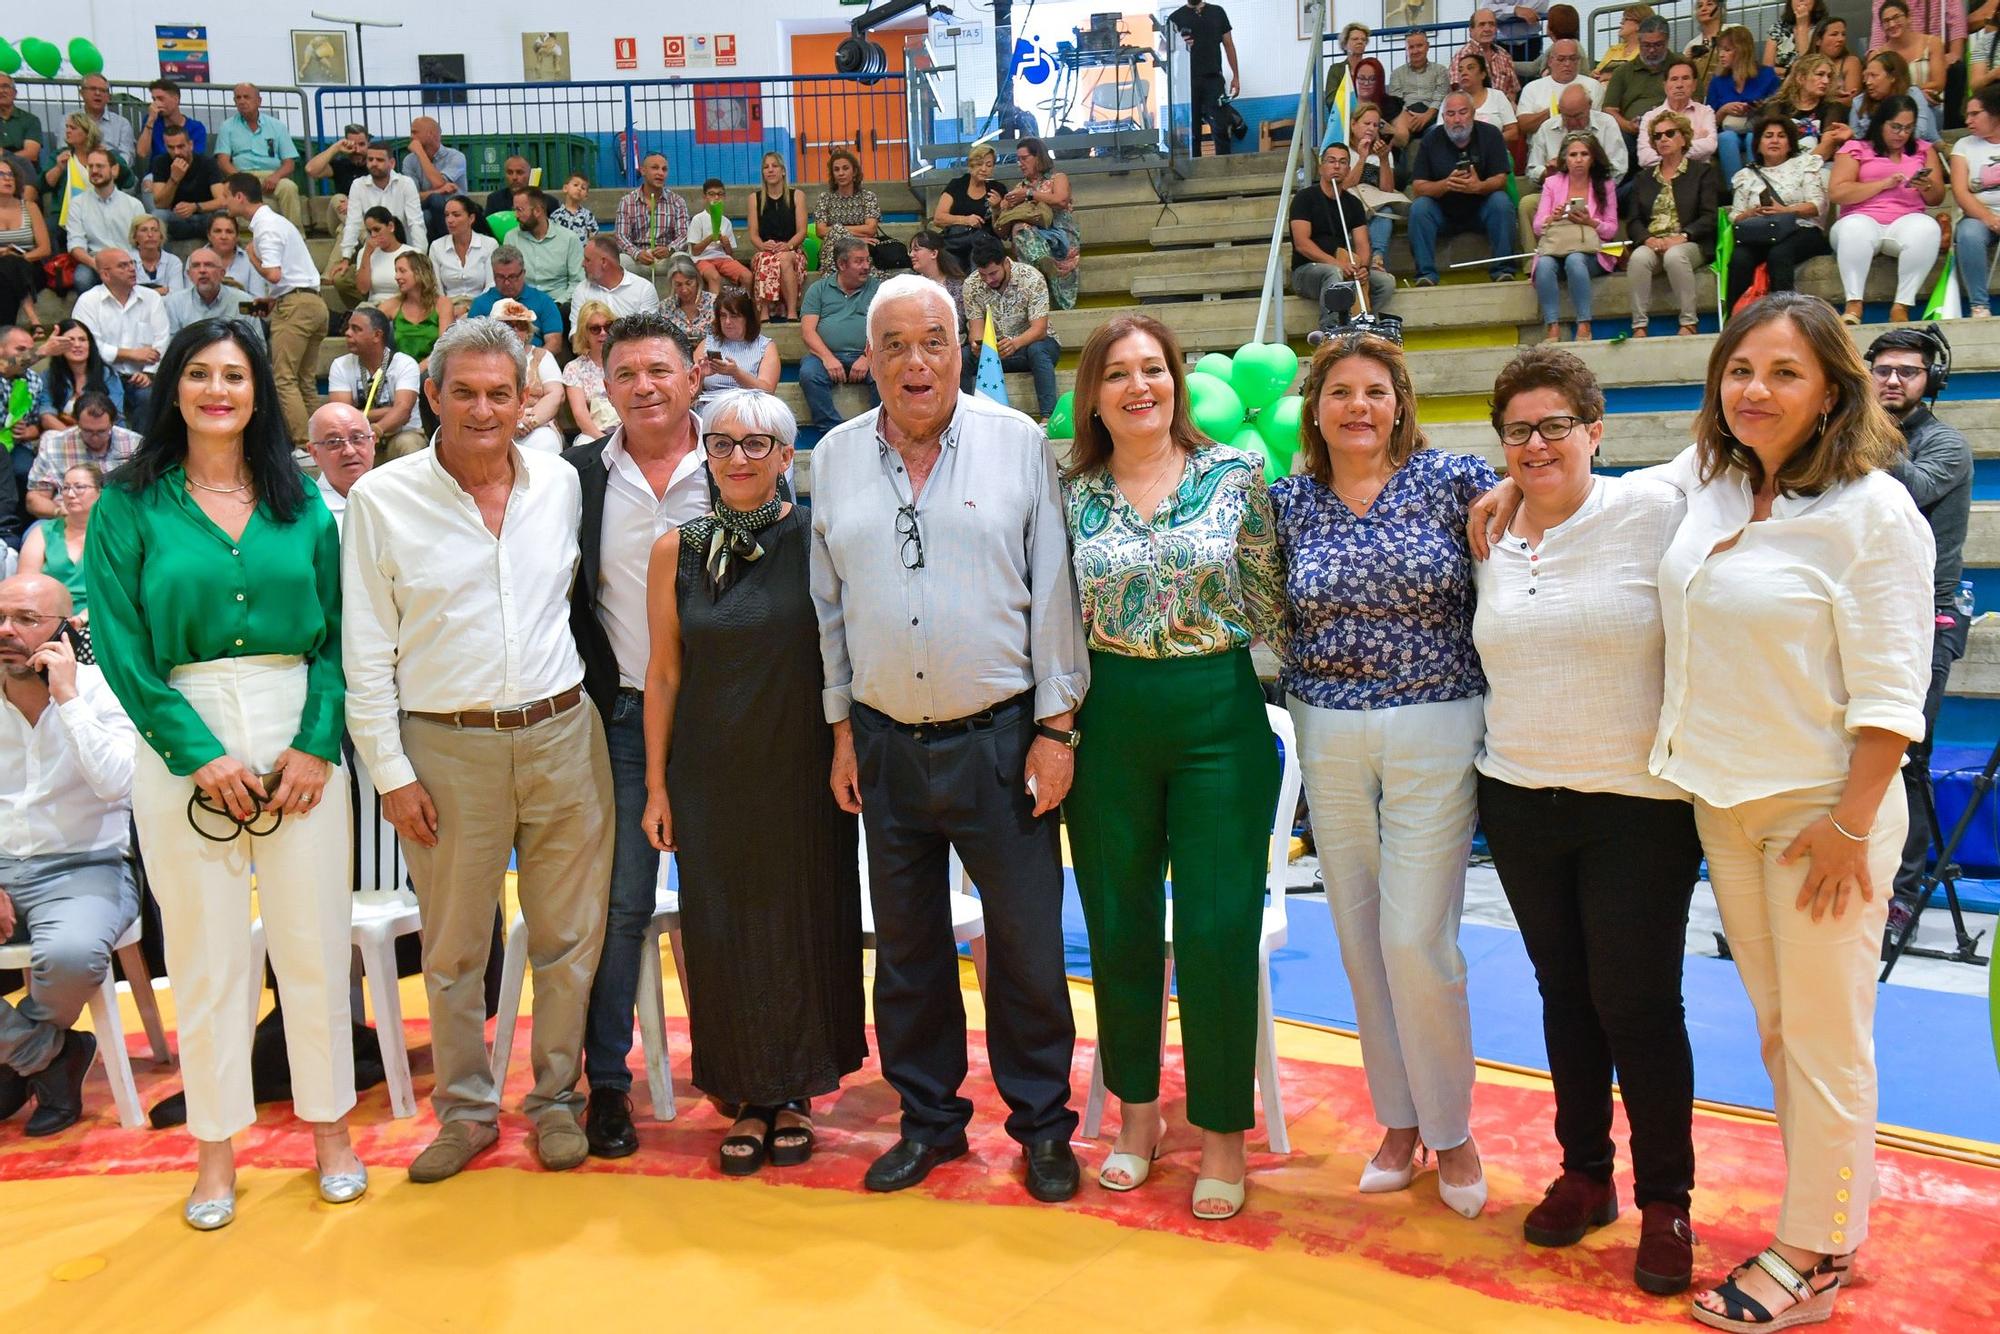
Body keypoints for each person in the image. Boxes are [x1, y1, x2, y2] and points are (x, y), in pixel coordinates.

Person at [1660, 293, 1930, 1333]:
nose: (1753, 390)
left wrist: (1851, 824)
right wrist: (1513, 492)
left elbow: (1890, 691)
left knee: (1822, 1038)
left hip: (1824, 813)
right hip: (1725, 805)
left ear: (1829, 390)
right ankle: (1833, 1217)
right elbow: (1615, 490)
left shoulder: (1869, 510)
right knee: (1783, 1033)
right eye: (1738, 369)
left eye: (1781, 373)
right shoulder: (1717, 483)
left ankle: (1808, 1254)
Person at [809, 272, 1086, 1203]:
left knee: (1027, 953)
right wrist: (842, 726)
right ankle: (929, 1123)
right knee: (909, 954)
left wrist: (1057, 728)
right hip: (885, 744)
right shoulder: (836, 458)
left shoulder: (1018, 447)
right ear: (871, 359)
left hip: (1004, 740)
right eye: (894, 345)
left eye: (933, 341)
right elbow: (828, 609)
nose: (915, 362)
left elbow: (1054, 595)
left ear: (962, 347)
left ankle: (1044, 1127)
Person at [86, 317, 362, 1229]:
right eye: (199, 373)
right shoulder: (130, 504)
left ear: (256, 394)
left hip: (297, 727)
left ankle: (331, 1133)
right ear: (173, 387)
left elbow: (338, 636)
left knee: (314, 946)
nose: (217, 390)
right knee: (204, 958)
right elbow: (122, 650)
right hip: (183, 729)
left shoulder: (302, 503)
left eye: (234, 376)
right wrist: (197, 755)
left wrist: (319, 743)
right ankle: (214, 1152)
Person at [342, 317, 614, 1184]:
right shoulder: (382, 501)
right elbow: (364, 651)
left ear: (527, 398)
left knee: (570, 938)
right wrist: (390, 773)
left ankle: (557, 1103)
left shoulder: (560, 486)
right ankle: (464, 1113)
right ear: (432, 397)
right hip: (445, 746)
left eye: (503, 392)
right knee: (457, 948)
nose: (485, 409)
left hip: (565, 733)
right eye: (465, 391)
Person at [1468, 347, 1703, 1294]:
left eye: (1556, 425)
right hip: (1520, 798)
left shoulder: (1654, 508)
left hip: (1638, 808)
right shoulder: (1483, 532)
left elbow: (1727, 445)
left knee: (1639, 1005)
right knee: (1564, 996)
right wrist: (1496, 494)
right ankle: (1586, 1174)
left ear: (1595, 431)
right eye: (1518, 430)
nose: (1537, 444)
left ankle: (1668, 1203)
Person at [1060, 315, 1281, 1222]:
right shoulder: (1067, 491)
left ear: (1179, 381)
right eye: (1118, 373)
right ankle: (1138, 1116)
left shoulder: (1236, 474)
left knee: (1217, 930)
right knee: (1116, 925)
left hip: (1217, 717)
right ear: (1095, 395)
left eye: (1155, 368)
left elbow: (1266, 599)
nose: (1139, 385)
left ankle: (1224, 1133)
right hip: (1106, 721)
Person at [1270, 332, 1494, 1220]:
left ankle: (1453, 1130)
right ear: (1314, 410)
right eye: (1339, 393)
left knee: (1417, 942)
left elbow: (1539, 516)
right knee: (1362, 943)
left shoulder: (1457, 481)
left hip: (1437, 721)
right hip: (1327, 727)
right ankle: (1397, 1123)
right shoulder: (1285, 503)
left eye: (1374, 391)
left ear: (1400, 404)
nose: (1357, 407)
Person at [638, 384, 865, 1172]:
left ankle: (795, 1090)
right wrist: (658, 787)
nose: (739, 458)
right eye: (724, 444)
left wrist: (844, 745)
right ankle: (743, 1093)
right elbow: (663, 676)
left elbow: (842, 655)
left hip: (801, 767)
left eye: (757, 444)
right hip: (710, 775)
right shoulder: (675, 549)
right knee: (723, 932)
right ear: (706, 454)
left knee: (804, 921)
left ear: (784, 457)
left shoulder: (817, 537)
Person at [557, 311, 710, 1157]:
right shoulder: (577, 479)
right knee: (620, 906)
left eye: (660, 370)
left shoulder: (737, 466)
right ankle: (608, 1083)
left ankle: (756, 1075)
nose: (645, 387)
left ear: (694, 377)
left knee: (732, 901)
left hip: (723, 722)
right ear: (602, 389)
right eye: (627, 375)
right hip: (617, 719)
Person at [0, 571, 137, 1137]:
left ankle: (15, 1063)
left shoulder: (104, 689)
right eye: (1, 618)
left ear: (65, 630)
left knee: (74, 954)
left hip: (87, 865)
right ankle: (50, 1058)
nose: (7, 630)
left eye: (27, 620)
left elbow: (120, 784)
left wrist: (68, 698)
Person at [1862, 327, 1971, 940]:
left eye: (1908, 371)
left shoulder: (1946, 445)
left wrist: (1861, 425)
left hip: (1930, 616)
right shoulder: (1850, 436)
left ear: (1933, 379)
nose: (1893, 381)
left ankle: (1901, 896)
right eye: (1882, 371)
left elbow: (1911, 489)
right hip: (1864, 610)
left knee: (1905, 758)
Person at [229, 173, 329, 448]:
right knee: (304, 380)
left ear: (239, 197)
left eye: (228, 196)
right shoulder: (280, 222)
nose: (225, 202)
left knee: (284, 378)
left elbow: (273, 274)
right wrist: (272, 300)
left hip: (295, 306)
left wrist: (251, 256)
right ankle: (322, 441)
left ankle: (303, 444)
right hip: (313, 302)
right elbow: (290, 277)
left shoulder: (264, 227)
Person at [1829, 95, 1945, 324]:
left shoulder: (1923, 149)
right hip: (1860, 218)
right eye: (1896, 127)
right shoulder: (1856, 147)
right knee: (1855, 228)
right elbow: (1837, 193)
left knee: (1928, 228)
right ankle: (1853, 305)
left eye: (1908, 128)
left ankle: (1901, 306)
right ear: (1881, 123)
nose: (1902, 134)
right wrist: (1882, 184)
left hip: (1906, 220)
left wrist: (1927, 186)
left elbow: (1937, 198)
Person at [1625, 112, 1722, 337]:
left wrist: (1683, 236)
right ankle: (1639, 326)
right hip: (1654, 241)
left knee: (1675, 256)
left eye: (1670, 133)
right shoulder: (1643, 178)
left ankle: (1688, 323)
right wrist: (1647, 239)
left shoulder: (1702, 172)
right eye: (1658, 136)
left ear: (1683, 138)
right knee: (1638, 258)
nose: (1663, 139)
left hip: (1690, 241)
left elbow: (1710, 217)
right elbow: (1633, 220)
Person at [1407, 92, 1518, 287]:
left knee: (1501, 201)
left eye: (1462, 112)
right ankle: (1425, 274)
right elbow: (1418, 187)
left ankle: (1503, 270)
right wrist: (1445, 184)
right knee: (1419, 208)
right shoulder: (1430, 140)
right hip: (1442, 212)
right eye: (1450, 114)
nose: (1457, 119)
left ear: (1473, 113)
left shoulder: (1491, 134)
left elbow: (1501, 179)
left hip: (1482, 209)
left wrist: (1479, 187)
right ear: (1443, 118)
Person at [1724, 116, 1832, 310]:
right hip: (1761, 233)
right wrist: (1751, 213)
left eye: (1781, 136)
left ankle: (1784, 315)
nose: (1774, 140)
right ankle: (1736, 320)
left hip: (1802, 230)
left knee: (1779, 254)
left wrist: (1785, 211)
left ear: (1790, 144)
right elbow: (1734, 216)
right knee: (1741, 258)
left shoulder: (1806, 164)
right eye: (1768, 136)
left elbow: (1817, 205)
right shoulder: (1745, 175)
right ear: (1758, 145)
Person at [1289, 143, 1396, 332]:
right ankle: (1330, 329)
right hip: (1307, 271)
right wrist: (1336, 264)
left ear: (1348, 169)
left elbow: (1362, 243)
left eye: (1343, 162)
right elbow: (1302, 244)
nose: (1336, 166)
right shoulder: (1304, 198)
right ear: (1322, 167)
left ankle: (1359, 321)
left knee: (1386, 282)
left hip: (1344, 265)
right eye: (1331, 161)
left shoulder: (1353, 203)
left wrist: (1362, 267)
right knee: (1334, 274)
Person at [961, 233, 1062, 419]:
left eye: (993, 273)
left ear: (1006, 263)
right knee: (963, 356)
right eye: (983, 275)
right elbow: (976, 327)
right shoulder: (971, 285)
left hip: (1029, 345)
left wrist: (1015, 343)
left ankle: (1049, 416)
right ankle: (964, 417)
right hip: (995, 350)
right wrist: (977, 345)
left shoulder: (1032, 278)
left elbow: (1039, 329)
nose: (988, 280)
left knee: (1038, 350)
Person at [1531, 134, 1619, 343]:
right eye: (1573, 155)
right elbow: (1537, 226)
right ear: (1565, 159)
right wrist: (1553, 217)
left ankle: (1584, 324)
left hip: (1591, 250)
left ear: (1593, 158)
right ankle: (1552, 327)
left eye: (1584, 154)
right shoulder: (1552, 183)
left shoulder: (1605, 184)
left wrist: (1591, 222)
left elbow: (1612, 229)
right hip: (1557, 246)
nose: (1578, 159)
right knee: (1543, 264)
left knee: (1575, 260)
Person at [71, 249, 168, 428]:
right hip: (101, 374)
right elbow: (87, 345)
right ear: (105, 275)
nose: (132, 269)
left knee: (149, 397)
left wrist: (149, 372)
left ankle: (142, 451)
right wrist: (131, 354)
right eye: (123, 266)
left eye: (132, 263)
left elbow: (162, 339)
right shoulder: (88, 301)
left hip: (141, 375)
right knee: (100, 400)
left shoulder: (151, 298)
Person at [798, 237, 880, 433]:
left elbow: (886, 329)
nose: (866, 266)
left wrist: (867, 357)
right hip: (824, 354)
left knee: (885, 372)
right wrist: (828, 358)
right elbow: (808, 332)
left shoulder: (877, 288)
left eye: (867, 260)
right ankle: (832, 431)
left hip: (868, 353)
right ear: (842, 264)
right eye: (859, 261)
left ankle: (879, 428)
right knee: (809, 374)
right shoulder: (818, 289)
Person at [328, 306, 426, 460]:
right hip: (356, 440)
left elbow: (403, 411)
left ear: (377, 335)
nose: (347, 333)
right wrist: (388, 411)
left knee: (409, 444)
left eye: (356, 329)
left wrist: (376, 430)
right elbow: (343, 417)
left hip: (401, 434)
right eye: (348, 328)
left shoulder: (405, 364)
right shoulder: (340, 365)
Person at [25, 392, 136, 519]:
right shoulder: (54, 445)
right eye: (88, 431)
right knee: (33, 535)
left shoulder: (134, 444)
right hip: (67, 517)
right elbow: (34, 499)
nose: (95, 437)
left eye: (101, 431)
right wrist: (58, 511)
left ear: (112, 423)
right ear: (76, 422)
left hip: (120, 517)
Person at [999, 139, 1081, 311]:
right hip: (1032, 236)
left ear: (1038, 157)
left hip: (1059, 234)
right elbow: (1006, 225)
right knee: (1020, 228)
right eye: (1018, 159)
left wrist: (1029, 194)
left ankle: (1043, 269)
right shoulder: (1019, 187)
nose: (1020, 164)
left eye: (1024, 158)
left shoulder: (1058, 178)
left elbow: (1060, 200)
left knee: (1024, 234)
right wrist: (1000, 207)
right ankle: (1042, 262)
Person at [213, 85, 303, 231]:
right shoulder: (227, 127)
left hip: (271, 176)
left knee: (289, 187)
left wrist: (276, 176)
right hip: (241, 175)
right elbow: (223, 161)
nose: (242, 101)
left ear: (259, 101)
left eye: (246, 97)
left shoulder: (277, 126)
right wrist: (241, 179)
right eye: (238, 98)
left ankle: (297, 235)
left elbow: (289, 163)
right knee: (229, 191)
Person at [19, 464, 104, 610]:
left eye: (80, 487)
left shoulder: (112, 534)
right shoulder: (42, 533)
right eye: (65, 488)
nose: (70, 494)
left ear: (99, 492)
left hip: (98, 615)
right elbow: (25, 587)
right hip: (49, 615)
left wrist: (84, 616)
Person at [66, 148, 146, 296]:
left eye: (100, 166)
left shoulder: (134, 204)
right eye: (90, 166)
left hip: (129, 260)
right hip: (94, 261)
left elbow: (143, 244)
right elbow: (75, 245)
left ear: (114, 170)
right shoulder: (77, 204)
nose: (94, 170)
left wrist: (125, 265)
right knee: (81, 278)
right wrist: (97, 265)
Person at [1708, 26, 1783, 178]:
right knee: (1726, 138)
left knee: (1752, 138)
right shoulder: (1717, 82)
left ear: (1742, 50)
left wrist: (1761, 109)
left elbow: (1779, 111)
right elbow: (1709, 123)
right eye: (1720, 50)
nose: (1721, 55)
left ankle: (1759, 186)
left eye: (1727, 50)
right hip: (1727, 130)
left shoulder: (1767, 75)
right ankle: (1737, 190)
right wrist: (1724, 110)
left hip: (1757, 128)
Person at [1525, 83, 1630, 191]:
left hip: (1598, 190)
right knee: (1528, 204)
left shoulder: (1607, 123)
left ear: (1590, 105)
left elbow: (1619, 166)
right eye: (1566, 116)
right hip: (1555, 191)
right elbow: (1532, 169)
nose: (1573, 122)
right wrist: (1546, 173)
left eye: (1578, 116)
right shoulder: (1547, 127)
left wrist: (1588, 176)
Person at [1168, 1, 1241, 156]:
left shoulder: (1217, 12)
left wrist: (1236, 76)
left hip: (1213, 78)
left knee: (1221, 126)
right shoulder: (1175, 18)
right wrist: (1180, 44)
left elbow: (1229, 44)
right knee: (1192, 131)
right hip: (1187, 82)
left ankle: (1224, 169)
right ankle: (1194, 171)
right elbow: (1163, 48)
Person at [493, 300, 565, 454]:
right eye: (508, 325)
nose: (515, 330)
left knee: (546, 442)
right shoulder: (485, 359)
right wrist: (512, 422)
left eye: (521, 325)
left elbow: (556, 394)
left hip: (536, 426)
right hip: (496, 425)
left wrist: (529, 422)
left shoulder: (542, 356)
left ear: (528, 331)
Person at [1953, 83, 2000, 316]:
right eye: (1967, 115)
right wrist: (1989, 218)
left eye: (1975, 114)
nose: (1968, 120)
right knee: (1969, 234)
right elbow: (1961, 193)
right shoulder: (1964, 145)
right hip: (1977, 215)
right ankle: (1979, 306)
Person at [335, 143, 426, 263]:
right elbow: (353, 223)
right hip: (372, 250)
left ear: (392, 163)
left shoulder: (406, 184)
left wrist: (419, 255)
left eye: (380, 160)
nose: (374, 163)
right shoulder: (358, 185)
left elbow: (416, 222)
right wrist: (346, 257)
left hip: (402, 249)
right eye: (370, 159)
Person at [469, 245, 565, 357]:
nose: (507, 283)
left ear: (523, 273)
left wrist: (531, 361)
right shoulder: (480, 304)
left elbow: (555, 343)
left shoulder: (544, 301)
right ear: (493, 276)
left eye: (512, 277)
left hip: (533, 361)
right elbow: (471, 345)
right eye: (500, 277)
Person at [746, 152, 806, 323]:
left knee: (784, 259)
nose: (770, 170)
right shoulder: (754, 199)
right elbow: (753, 235)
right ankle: (763, 312)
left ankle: (792, 311)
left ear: (783, 171)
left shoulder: (797, 196)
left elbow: (802, 231)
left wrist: (788, 246)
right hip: (766, 249)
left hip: (793, 250)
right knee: (764, 259)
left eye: (774, 166)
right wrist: (763, 246)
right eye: (766, 167)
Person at [1763, 54, 1854, 164]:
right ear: (1801, 78)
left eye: (1829, 76)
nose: (1825, 81)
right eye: (1820, 75)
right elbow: (1770, 143)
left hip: (1819, 165)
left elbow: (1828, 146)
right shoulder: (1776, 106)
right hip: (1781, 165)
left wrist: (1799, 168)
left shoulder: (1833, 107)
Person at [694, 290, 778, 410]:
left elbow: (768, 392)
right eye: (723, 316)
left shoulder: (765, 346)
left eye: (734, 316)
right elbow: (690, 394)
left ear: (747, 318)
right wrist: (700, 376)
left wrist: (736, 373)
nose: (727, 322)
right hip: (711, 409)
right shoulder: (707, 343)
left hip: (748, 409)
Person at [144, 123, 226, 242]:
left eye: (181, 146)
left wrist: (195, 207)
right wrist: (174, 179)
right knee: (158, 215)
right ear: (166, 147)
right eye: (171, 147)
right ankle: (163, 259)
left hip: (205, 216)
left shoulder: (207, 163)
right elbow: (160, 204)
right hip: (177, 218)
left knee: (223, 214)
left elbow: (222, 201)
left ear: (190, 145)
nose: (176, 152)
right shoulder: (161, 162)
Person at [1606, 16, 1674, 155]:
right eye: (1646, 45)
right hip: (1632, 135)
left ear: (1667, 42)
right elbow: (1609, 110)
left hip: (1674, 130)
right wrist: (1628, 126)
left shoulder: (1682, 66)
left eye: (1657, 45)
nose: (1651, 50)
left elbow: (1695, 102)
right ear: (1639, 42)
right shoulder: (1622, 72)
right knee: (1617, 140)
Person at [616, 152, 689, 280]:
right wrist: (637, 253)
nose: (660, 173)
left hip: (666, 258)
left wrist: (669, 249)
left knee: (682, 259)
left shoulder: (677, 201)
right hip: (637, 259)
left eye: (664, 169)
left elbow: (684, 235)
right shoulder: (627, 201)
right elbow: (621, 236)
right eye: (655, 168)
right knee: (621, 261)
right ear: (643, 171)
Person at [37, 319, 123, 428]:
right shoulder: (48, 376)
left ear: (90, 345)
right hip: (63, 434)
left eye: (82, 340)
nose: (77, 345)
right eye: (70, 340)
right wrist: (71, 437)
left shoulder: (107, 375)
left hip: (104, 434)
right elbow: (46, 415)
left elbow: (115, 415)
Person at [509, 186, 585, 308]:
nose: (516, 216)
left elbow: (577, 282)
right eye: (515, 210)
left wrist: (558, 304)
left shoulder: (569, 239)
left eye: (520, 210)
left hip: (559, 305)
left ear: (538, 211)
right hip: (522, 306)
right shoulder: (512, 238)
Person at [304, 401, 375, 528]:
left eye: (357, 438)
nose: (349, 451)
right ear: (314, 453)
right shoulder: (307, 513)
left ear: (373, 442)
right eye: (333, 442)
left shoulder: (397, 496)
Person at [1638, 60, 1721, 166]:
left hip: (1697, 175)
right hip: (1658, 177)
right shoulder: (1650, 117)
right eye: (1674, 79)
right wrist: (1692, 145)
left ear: (1694, 84)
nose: (1679, 85)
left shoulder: (1705, 112)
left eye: (1685, 78)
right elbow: (1645, 158)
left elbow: (1710, 145)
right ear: (1665, 86)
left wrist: (1665, 150)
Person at [931, 145, 999, 272]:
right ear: (971, 165)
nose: (983, 169)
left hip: (984, 244)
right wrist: (966, 220)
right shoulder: (957, 185)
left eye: (989, 165)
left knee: (980, 252)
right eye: (979, 164)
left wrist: (997, 209)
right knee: (948, 258)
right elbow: (938, 218)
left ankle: (975, 287)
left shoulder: (997, 189)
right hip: (957, 240)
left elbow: (1002, 230)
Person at [813, 149, 884, 272]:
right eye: (836, 170)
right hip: (833, 248)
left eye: (845, 168)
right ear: (833, 175)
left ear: (854, 172)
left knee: (859, 254)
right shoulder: (825, 198)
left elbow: (871, 229)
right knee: (835, 251)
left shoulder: (868, 197)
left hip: (863, 247)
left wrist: (837, 231)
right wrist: (855, 238)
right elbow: (821, 231)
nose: (841, 173)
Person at [1520, 39, 1605, 140]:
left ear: (1578, 61)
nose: (1567, 63)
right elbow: (1523, 126)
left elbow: (1598, 123)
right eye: (1561, 59)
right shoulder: (1532, 88)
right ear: (1550, 61)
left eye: (1573, 59)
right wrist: (1557, 109)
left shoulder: (1593, 86)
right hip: (1542, 148)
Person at [0, 159, 50, 327]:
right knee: (6, 267)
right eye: (2, 175)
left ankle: (6, 332)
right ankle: (33, 318)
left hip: (31, 268)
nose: (8, 179)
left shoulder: (30, 207)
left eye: (10, 175)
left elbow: (45, 249)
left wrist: (19, 258)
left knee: (10, 265)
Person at [402, 116, 468, 242]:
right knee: (432, 202)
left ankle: (446, 243)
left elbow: (438, 183)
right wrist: (438, 191)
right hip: (423, 206)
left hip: (454, 209)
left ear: (430, 134)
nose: (411, 137)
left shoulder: (456, 157)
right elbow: (412, 197)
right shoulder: (409, 161)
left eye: (415, 132)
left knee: (430, 210)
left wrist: (420, 152)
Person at [1851, 50, 1941, 140]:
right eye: (1866, 76)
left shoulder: (1913, 94)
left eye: (1873, 75)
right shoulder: (1858, 102)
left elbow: (1919, 133)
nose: (1868, 82)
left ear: (1892, 77)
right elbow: (1855, 140)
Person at [563, 302, 620, 443]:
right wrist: (606, 442)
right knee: (583, 444)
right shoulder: (574, 368)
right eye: (595, 329)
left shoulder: (626, 361)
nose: (603, 333)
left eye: (608, 326)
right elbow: (581, 417)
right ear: (584, 333)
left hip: (629, 429)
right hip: (595, 434)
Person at [166, 247, 256, 336]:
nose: (202, 270)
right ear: (189, 275)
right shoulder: (174, 303)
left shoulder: (245, 301)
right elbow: (171, 346)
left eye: (209, 265)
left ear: (222, 273)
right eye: (196, 265)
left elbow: (257, 344)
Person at [686, 177, 752, 295]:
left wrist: (726, 245)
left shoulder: (726, 222)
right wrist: (711, 238)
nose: (716, 198)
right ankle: (714, 310)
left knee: (747, 276)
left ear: (724, 197)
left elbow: (730, 254)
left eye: (720, 194)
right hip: (702, 259)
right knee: (714, 277)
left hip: (722, 258)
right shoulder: (698, 219)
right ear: (705, 197)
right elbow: (694, 251)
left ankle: (740, 307)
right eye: (711, 194)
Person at [429, 196, 497, 309]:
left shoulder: (489, 244)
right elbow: (436, 289)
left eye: (456, 215)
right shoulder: (436, 246)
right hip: (448, 308)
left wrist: (471, 309)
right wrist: (447, 310)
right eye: (447, 215)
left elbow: (491, 286)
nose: (450, 220)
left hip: (481, 307)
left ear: (471, 218)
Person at [575, 234, 662, 321]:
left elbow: (648, 332)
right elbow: (576, 332)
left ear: (604, 262)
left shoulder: (644, 290)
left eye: (587, 260)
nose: (583, 264)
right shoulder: (582, 290)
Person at [303, 123, 371, 231]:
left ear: (368, 144)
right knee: (338, 198)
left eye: (362, 144)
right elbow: (311, 170)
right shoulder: (341, 165)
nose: (357, 150)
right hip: (340, 216)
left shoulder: (376, 166)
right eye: (353, 145)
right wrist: (336, 147)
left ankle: (363, 239)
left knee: (343, 231)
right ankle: (364, 238)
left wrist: (355, 204)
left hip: (366, 218)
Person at [344, 207, 417, 307]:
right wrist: (367, 254)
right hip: (374, 305)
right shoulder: (365, 253)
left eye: (377, 229)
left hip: (403, 304)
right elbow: (363, 289)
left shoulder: (412, 253)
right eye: (370, 232)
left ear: (391, 226)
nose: (373, 235)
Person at [1878, 0, 1948, 101]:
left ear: (1908, 17)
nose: (1892, 24)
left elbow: (1938, 83)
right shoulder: (1879, 54)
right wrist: (1915, 93)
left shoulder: (1932, 43)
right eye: (1886, 21)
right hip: (1895, 107)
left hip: (1929, 105)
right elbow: (1880, 90)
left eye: (1896, 17)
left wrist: (1908, 93)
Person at [1390, 29, 1451, 143]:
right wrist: (1409, 117)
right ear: (1406, 50)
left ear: (1427, 46)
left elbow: (1440, 97)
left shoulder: (1440, 70)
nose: (1415, 51)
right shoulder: (1397, 73)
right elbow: (1396, 102)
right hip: (1407, 116)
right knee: (1396, 128)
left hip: (1433, 114)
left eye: (1419, 46)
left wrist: (1426, 116)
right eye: (1411, 47)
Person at [1456, 51, 1521, 148]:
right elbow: (1441, 133)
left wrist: (1489, 142)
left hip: (1493, 151)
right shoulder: (1451, 101)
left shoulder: (1497, 96)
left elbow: (1513, 132)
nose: (1464, 73)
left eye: (1470, 68)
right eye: (1460, 70)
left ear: (1483, 74)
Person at [1459, 9, 1523, 100]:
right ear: (1471, 30)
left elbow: (1513, 90)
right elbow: (1458, 91)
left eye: (1491, 24)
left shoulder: (1504, 55)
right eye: (1482, 24)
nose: (1487, 29)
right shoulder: (1463, 55)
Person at [137, 79, 207, 161]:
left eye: (161, 99)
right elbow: (142, 153)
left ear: (176, 99)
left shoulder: (196, 128)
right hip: (158, 171)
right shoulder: (152, 121)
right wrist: (150, 120)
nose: (156, 104)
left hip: (187, 171)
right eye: (154, 99)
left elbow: (196, 158)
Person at [76, 74, 136, 165]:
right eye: (92, 89)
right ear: (81, 93)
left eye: (103, 90)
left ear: (108, 97)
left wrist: (112, 169)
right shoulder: (70, 120)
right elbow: (64, 151)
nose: (98, 93)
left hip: (113, 171)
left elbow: (127, 155)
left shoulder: (122, 123)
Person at [206, 213, 268, 299]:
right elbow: (190, 298)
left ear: (237, 236)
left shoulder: (251, 260)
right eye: (218, 231)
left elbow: (258, 298)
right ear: (209, 235)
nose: (223, 236)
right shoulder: (195, 260)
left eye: (229, 231)